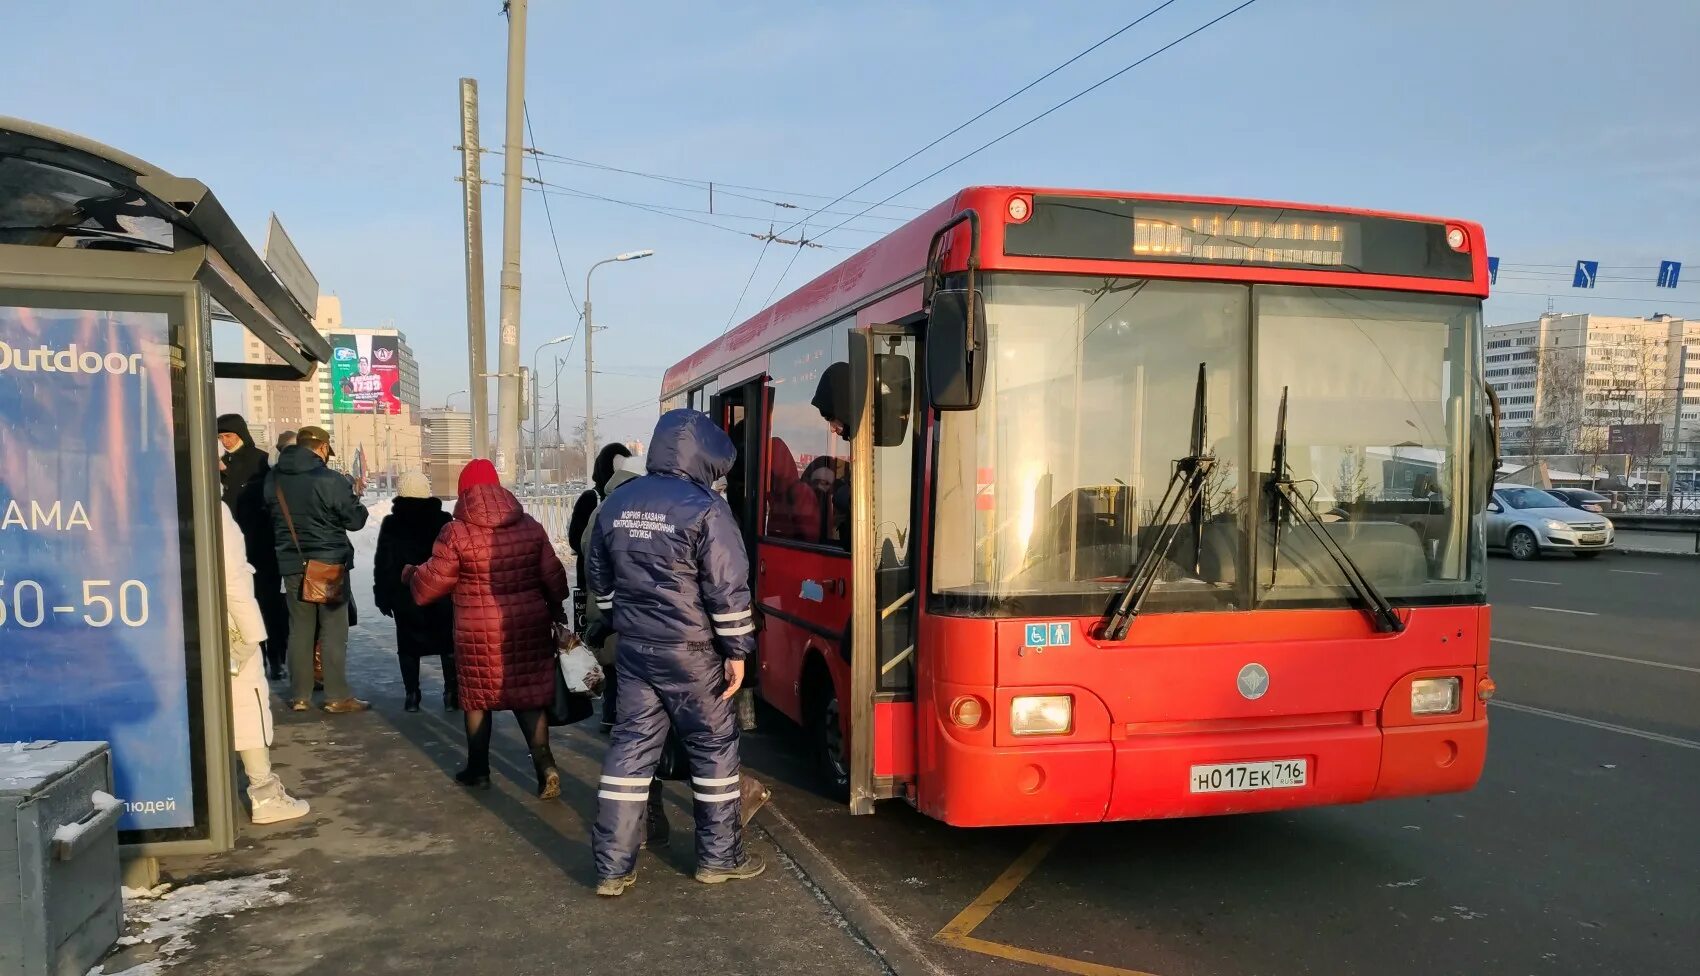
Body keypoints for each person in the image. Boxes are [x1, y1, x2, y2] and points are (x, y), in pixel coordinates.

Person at [587, 409, 763, 896]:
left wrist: (614, 616)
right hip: (694, 654)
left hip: (637, 650)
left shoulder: (619, 503)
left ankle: (612, 868)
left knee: (630, 751)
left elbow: (599, 580)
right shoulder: (706, 508)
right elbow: (727, 588)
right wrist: (738, 650)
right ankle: (718, 858)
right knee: (713, 750)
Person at [407, 459, 571, 798]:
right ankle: (545, 766)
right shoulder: (529, 525)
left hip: (476, 629)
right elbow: (554, 577)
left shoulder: (456, 532)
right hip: (527, 623)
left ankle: (478, 770)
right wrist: (556, 610)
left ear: (464, 491)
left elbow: (429, 588)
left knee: (478, 698)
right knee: (528, 696)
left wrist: (411, 575)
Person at [266, 425, 370, 714]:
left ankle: (300, 695)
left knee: (299, 631)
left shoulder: (273, 479)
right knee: (333, 631)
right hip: (327, 566)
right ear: (322, 448)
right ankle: (337, 696)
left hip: (291, 563)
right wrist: (357, 503)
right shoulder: (330, 479)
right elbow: (355, 521)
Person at [220, 498, 309, 825]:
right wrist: (252, 632)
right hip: (228, 622)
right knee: (248, 700)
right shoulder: (211, 507)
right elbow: (232, 577)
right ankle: (264, 793)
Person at [373, 470, 457, 712]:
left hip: (405, 596)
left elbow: (384, 562)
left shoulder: (392, 524)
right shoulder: (443, 520)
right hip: (441, 594)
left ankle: (412, 695)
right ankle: (452, 693)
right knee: (448, 644)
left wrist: (383, 596)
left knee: (408, 646)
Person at [219, 414, 290, 681]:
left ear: (240, 434)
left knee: (269, 603)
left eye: (229, 436)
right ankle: (255, 656)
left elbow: (263, 498)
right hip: (235, 549)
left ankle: (277, 658)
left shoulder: (260, 461)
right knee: (244, 606)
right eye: (221, 437)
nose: (225, 442)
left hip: (262, 545)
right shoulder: (220, 463)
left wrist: (228, 474)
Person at [579, 453, 645, 734]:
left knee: (612, 659)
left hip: (602, 595)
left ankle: (610, 714)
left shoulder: (603, 508)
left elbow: (585, 547)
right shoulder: (637, 509)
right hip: (626, 598)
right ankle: (624, 719)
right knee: (625, 659)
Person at [568, 443, 633, 632]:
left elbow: (575, 539)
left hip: (597, 578)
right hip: (606, 579)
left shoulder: (593, 498)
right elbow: (576, 539)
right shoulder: (594, 498)